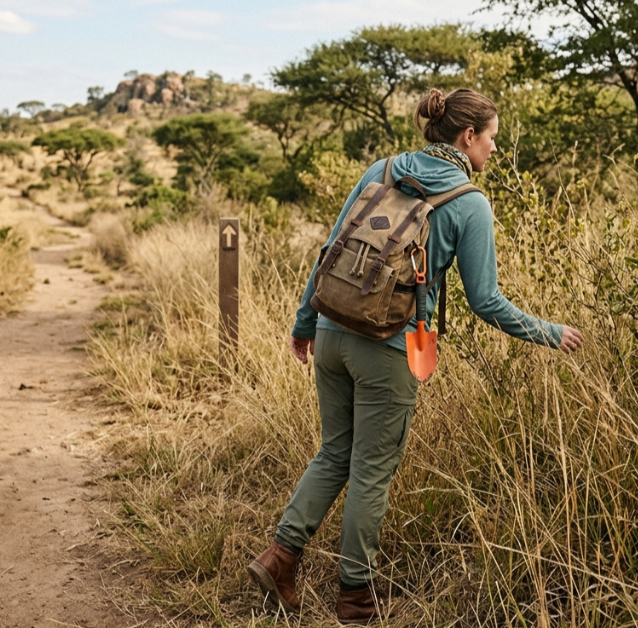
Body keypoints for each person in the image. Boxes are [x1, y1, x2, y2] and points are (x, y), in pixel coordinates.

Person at [247, 88, 585, 624]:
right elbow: (487, 301)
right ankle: (355, 599)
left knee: (335, 452)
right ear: (467, 136)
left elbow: (331, 248)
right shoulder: (470, 203)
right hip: (386, 347)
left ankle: (280, 556)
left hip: (332, 330)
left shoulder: (381, 169)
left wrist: (305, 324)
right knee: (371, 472)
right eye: (492, 138)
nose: (494, 149)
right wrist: (549, 333)